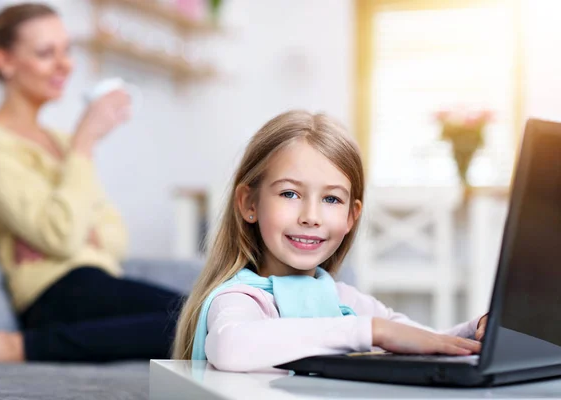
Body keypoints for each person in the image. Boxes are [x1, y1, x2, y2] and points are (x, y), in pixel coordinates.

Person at [172, 110, 488, 371]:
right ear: (249, 204)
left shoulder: (344, 300)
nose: (311, 216)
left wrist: (474, 330)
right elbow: (231, 347)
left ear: (352, 216)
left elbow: (424, 339)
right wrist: (372, 331)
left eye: (332, 200)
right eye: (290, 193)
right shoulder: (243, 298)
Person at [0, 3, 183, 363]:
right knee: (200, 323)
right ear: (4, 61)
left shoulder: (63, 142)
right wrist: (85, 141)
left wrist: (73, 232)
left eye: (67, 50)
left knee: (210, 317)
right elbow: (61, 235)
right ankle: (19, 346)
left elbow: (115, 237)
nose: (65, 64)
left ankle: (26, 345)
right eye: (46, 53)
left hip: (95, 283)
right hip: (51, 293)